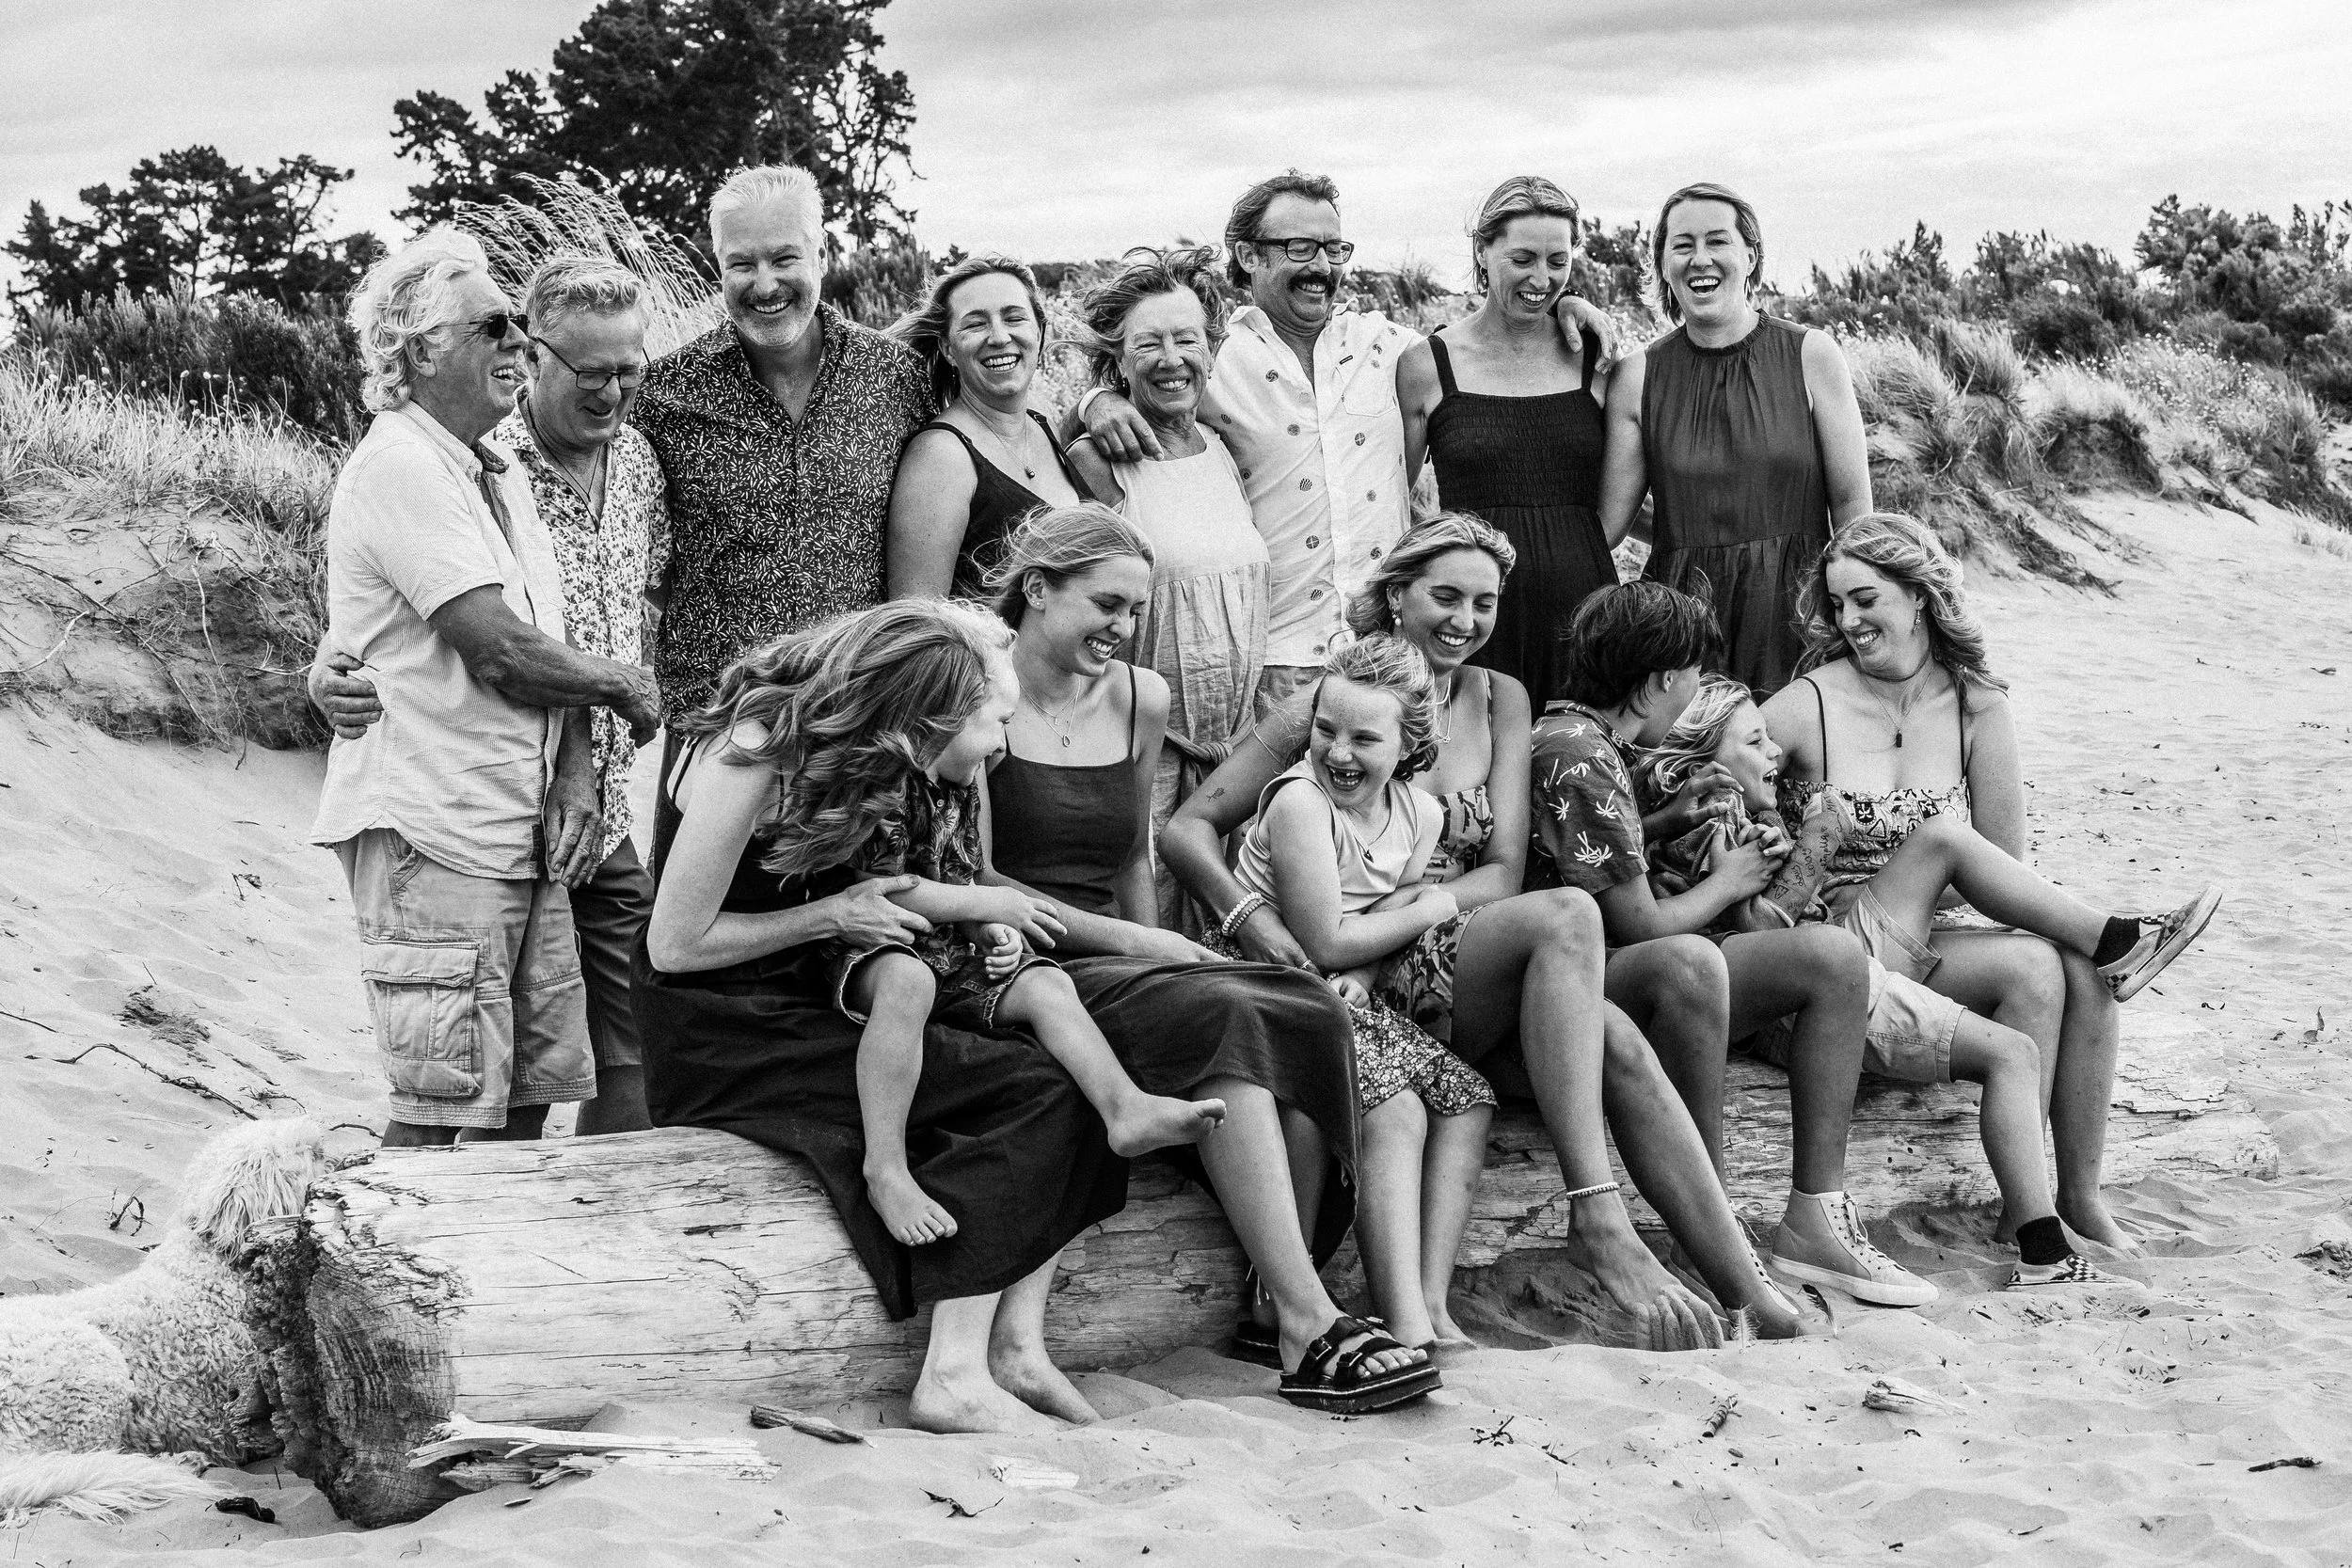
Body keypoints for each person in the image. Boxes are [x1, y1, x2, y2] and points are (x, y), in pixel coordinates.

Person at [1167, 514, 1826, 1347]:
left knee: (1617, 1032)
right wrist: (1252, 919)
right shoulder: (1342, 702)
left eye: (1483, 602)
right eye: (1443, 595)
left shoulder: (1499, 697)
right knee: (1570, 917)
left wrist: (1426, 904)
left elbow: (1501, 870)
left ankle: (1739, 1278)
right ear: (1396, 596)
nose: (1464, 620)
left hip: (1451, 955)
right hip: (1347, 963)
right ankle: (1598, 1213)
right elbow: (1190, 828)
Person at [979, 505, 1434, 1412]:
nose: (1120, 628)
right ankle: (1309, 1317)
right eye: (1106, 603)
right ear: (1037, 588)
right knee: (1227, 1007)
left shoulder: (1141, 696)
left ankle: (1281, 1300)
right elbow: (982, 873)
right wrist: (1148, 947)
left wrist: (1171, 957)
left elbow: (1128, 856)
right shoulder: (979, 689)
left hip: (1127, 951)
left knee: (1291, 1003)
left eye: (1134, 612)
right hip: (1025, 952)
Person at [639, 601, 1128, 1436]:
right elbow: (675, 946)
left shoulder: (879, 752)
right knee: (1019, 1092)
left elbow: (902, 894)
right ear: (924, 712)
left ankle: (1011, 1348)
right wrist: (831, 917)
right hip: (725, 1023)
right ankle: (954, 1375)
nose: (999, 744)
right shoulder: (753, 755)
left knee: (1045, 1074)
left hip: (815, 991)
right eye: (993, 721)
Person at [1763, 512, 2224, 1254]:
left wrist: (1914, 882)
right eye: (1839, 602)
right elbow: (1715, 775)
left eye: (1866, 598)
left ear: (1918, 597)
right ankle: (2121, 936)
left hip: (1913, 940)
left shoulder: (1978, 705)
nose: (1848, 620)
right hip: (1829, 961)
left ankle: (2056, 1199)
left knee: (2058, 964)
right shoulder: (1804, 703)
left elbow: (2003, 871)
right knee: (1946, 837)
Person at [308, 229, 661, 1148]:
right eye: (494, 327)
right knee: (440, 1104)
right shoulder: (404, 465)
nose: (515, 344)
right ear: (420, 349)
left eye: (515, 325)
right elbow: (498, 648)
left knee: (528, 1084)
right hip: (439, 826)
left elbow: (506, 632)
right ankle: (391, 1287)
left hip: (514, 827)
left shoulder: (478, 470)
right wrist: (620, 684)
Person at [1638, 674, 2130, 1287]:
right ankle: (2042, 1249)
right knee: (2010, 1049)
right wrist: (1817, 844)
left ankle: (2041, 1234)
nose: (1775, 754)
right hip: (1814, 1006)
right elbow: (1758, 930)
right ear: (1704, 766)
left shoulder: (1732, 820)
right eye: (1756, 743)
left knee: (2020, 1034)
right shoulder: (1713, 825)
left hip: (1828, 984)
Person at [1078, 170, 1622, 719]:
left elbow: (1488, 348)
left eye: (1334, 249)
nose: (1322, 266)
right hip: (1269, 659)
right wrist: (1099, 400)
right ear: (1247, 254)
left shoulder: (1389, 349)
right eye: (1299, 248)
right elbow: (1150, 386)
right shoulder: (1218, 356)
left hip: (1389, 656)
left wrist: (1563, 308)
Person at [1530, 581, 1939, 1307]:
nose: (1692, 691)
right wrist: (1732, 882)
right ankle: (1713, 1215)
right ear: (1662, 680)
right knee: (1715, 963)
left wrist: (1660, 824)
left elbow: (1594, 855)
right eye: (1690, 676)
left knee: (1834, 956)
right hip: (1574, 980)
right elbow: (1637, 925)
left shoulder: (1584, 738)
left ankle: (1817, 1210)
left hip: (1603, 961)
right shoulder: (1581, 754)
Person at [1216, 635, 1495, 1359]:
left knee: (1468, 1097)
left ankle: (1429, 1302)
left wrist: (1371, 972)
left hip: (1340, 986)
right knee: (1396, 1101)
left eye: (1365, 738)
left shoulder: (1419, 815)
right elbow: (1325, 940)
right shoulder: (1300, 800)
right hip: (1267, 975)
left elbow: (1373, 929)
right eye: (1325, 730)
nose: (1339, 752)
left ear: (1408, 746)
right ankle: (1394, 1316)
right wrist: (1434, 907)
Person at [632, 164, 931, 720]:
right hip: (715, 719)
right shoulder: (662, 394)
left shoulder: (898, 378)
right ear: (719, 267)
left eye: (785, 258)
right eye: (741, 264)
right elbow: (636, 549)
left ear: (821, 254)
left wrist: (1097, 403)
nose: (764, 284)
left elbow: (996, 437)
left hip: (858, 718)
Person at [1063, 246, 1270, 932]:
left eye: (1187, 338)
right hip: (1145, 747)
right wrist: (1087, 407)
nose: (1171, 357)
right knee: (1148, 926)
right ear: (1117, 361)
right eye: (1147, 343)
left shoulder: (1221, 449)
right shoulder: (1100, 458)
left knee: (1236, 923)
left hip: (1234, 749)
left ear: (1212, 349)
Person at [1598, 182, 1872, 696]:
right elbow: (1610, 522)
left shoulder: (1812, 355)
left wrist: (1853, 606)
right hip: (1683, 625)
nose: (1699, 259)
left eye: (1717, 241)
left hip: (1798, 614)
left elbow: (1852, 501)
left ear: (1750, 255)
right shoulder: (1638, 377)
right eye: (1682, 245)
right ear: (1661, 263)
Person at [1398, 176, 1615, 705]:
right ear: (1483, 249)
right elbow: (1391, 499)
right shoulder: (1426, 364)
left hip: (1585, 605)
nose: (1541, 278)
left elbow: (1630, 487)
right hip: (1472, 615)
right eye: (1522, 259)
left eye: (1557, 261)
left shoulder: (1598, 357)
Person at [885, 256, 1093, 601]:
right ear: (948, 348)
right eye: (975, 324)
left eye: (1014, 318)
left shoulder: (1042, 426)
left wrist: (1098, 400)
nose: (999, 337)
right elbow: (917, 620)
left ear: (1040, 333)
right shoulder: (942, 456)